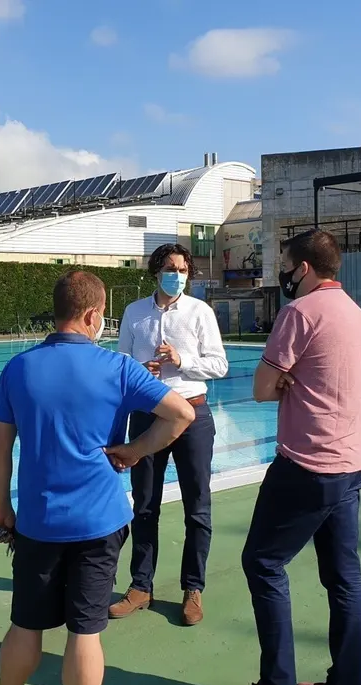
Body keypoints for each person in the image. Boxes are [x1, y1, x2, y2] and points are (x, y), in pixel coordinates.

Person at [0, 270, 196, 685]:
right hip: (100, 521)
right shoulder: (117, 368)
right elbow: (180, 414)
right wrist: (134, 452)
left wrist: (3, 507)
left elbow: (1, 447)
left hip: (39, 522)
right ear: (93, 315)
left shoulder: (20, 367)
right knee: (85, 633)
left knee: (25, 625)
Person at [212, 229, 361, 685]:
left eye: (285, 264)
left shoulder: (299, 313)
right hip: (352, 464)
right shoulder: (354, 312)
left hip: (307, 465)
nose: (282, 274)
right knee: (344, 580)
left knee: (263, 562)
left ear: (302, 267)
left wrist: (287, 380)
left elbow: (262, 388)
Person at [109, 242, 229, 626]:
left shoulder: (200, 312)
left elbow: (220, 365)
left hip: (192, 415)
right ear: (155, 271)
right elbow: (121, 360)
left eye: (182, 268)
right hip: (147, 417)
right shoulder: (134, 313)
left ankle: (193, 588)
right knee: (144, 505)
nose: (176, 274)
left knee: (198, 508)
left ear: (188, 273)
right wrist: (139, 368)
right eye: (169, 267)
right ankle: (141, 586)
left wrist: (183, 361)